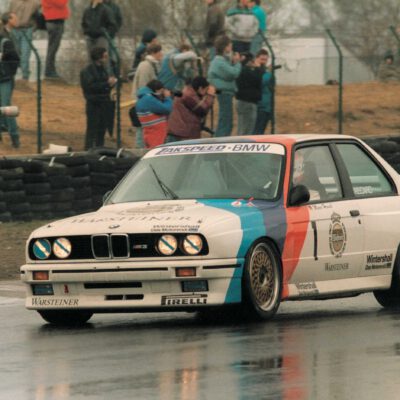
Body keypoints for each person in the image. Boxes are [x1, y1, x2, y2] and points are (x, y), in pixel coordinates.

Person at [80, 46, 117, 150]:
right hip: (94, 104)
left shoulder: (103, 70)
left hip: (104, 103)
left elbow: (103, 85)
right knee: (92, 129)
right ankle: (89, 150)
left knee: (102, 130)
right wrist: (107, 83)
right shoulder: (87, 71)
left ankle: (99, 150)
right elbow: (90, 87)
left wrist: (110, 84)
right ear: (98, 57)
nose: (106, 59)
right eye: (104, 56)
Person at [207, 35, 241, 137]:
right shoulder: (219, 62)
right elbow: (233, 73)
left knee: (226, 121)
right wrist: (237, 63)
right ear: (225, 47)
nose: (231, 47)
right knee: (226, 122)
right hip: (224, 94)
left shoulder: (222, 61)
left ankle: (219, 141)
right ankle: (218, 143)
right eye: (230, 45)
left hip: (226, 93)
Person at [131, 43, 163, 148]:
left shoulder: (151, 65)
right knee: (142, 128)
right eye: (159, 52)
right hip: (144, 103)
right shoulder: (146, 66)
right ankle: (140, 150)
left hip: (147, 101)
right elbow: (143, 85)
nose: (161, 54)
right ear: (154, 52)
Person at [167, 76, 216, 143]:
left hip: (179, 132)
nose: (206, 92)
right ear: (200, 88)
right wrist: (210, 95)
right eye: (206, 89)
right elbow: (202, 110)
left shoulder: (188, 91)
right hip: (183, 135)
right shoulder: (189, 95)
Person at [0, 12, 20, 148]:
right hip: (5, 76)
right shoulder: (6, 37)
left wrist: (9, 72)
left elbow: (14, 58)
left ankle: (14, 136)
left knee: (6, 107)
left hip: (4, 77)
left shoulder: (5, 39)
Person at [135, 80, 173, 148]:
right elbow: (167, 109)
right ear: (156, 90)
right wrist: (167, 98)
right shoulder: (149, 99)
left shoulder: (143, 97)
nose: (162, 93)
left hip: (150, 133)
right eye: (161, 91)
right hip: (156, 135)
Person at [9, 0, 40, 82]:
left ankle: (25, 76)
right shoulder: (13, 2)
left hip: (27, 30)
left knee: (25, 53)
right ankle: (12, 76)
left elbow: (38, 17)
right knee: (15, 53)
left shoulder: (35, 4)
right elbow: (9, 16)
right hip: (14, 30)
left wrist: (34, 28)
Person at [235, 52, 263, 135]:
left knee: (242, 127)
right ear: (250, 61)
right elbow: (257, 79)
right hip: (248, 103)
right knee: (247, 130)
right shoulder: (247, 71)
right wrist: (258, 68)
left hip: (241, 101)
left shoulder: (240, 70)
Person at [41, 0, 69, 79]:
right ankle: (49, 70)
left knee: (53, 47)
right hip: (55, 22)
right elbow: (61, 3)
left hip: (55, 21)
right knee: (53, 48)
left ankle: (50, 70)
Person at [253, 48, 272, 134]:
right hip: (259, 106)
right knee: (257, 131)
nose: (263, 62)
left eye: (265, 60)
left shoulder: (265, 71)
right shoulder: (255, 71)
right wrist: (269, 73)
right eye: (262, 59)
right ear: (256, 59)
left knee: (262, 130)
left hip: (267, 105)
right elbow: (261, 81)